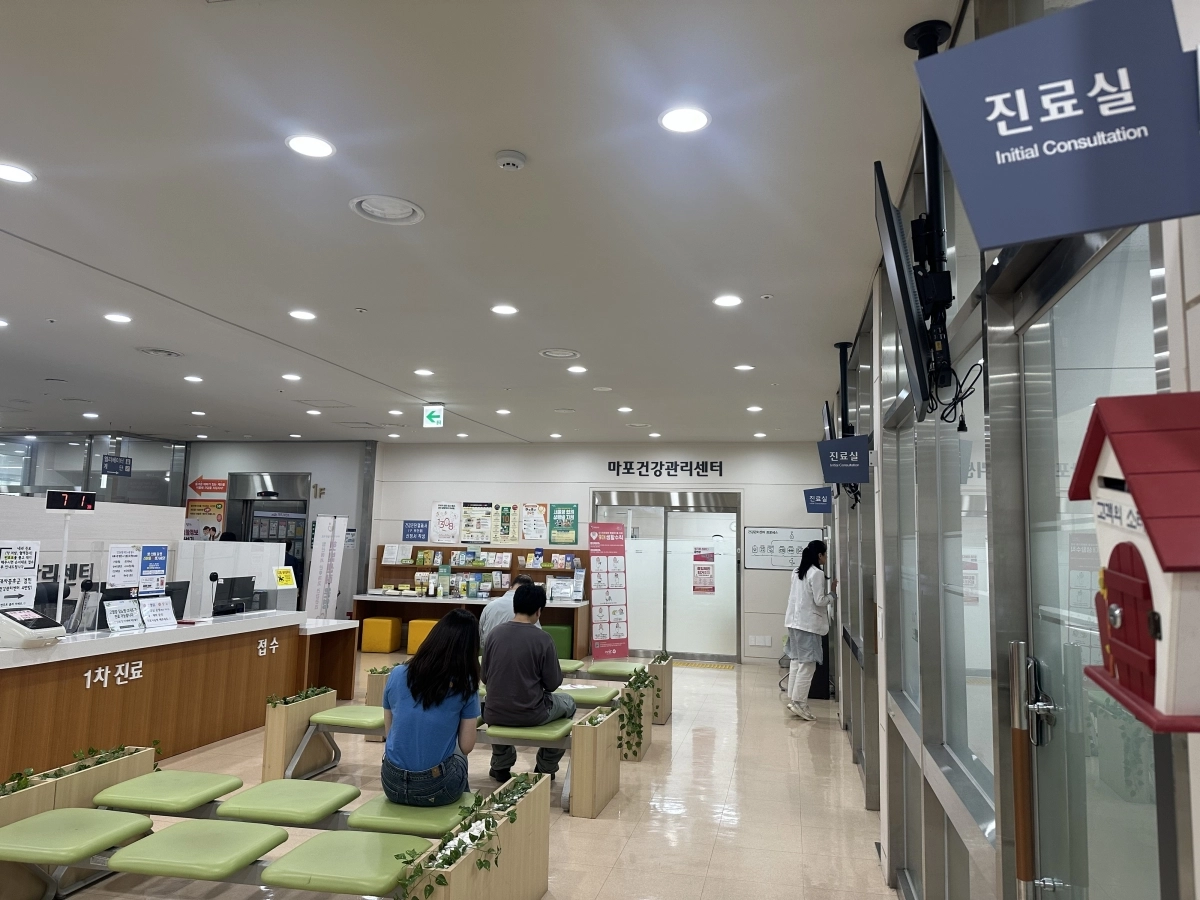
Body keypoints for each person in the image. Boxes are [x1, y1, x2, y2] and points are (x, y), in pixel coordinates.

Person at [381, 609, 481, 806]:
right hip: (436, 787)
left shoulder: (397, 673)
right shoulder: (465, 684)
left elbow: (390, 732)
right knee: (457, 752)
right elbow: (467, 746)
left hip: (392, 782)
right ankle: (465, 817)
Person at [481, 583, 575, 781]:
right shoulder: (543, 639)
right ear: (539, 611)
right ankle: (546, 767)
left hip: (493, 712)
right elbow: (552, 684)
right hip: (532, 713)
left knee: (497, 702)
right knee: (569, 703)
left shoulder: (494, 635)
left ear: (515, 605)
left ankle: (501, 764)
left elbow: (484, 677)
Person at [784, 539, 837, 721]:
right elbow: (820, 601)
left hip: (793, 623)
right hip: (807, 625)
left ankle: (793, 699)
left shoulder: (797, 572)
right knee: (808, 664)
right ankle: (799, 703)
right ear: (819, 555)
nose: (826, 557)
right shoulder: (816, 574)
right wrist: (833, 594)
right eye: (825, 554)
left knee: (797, 661)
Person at [478, 574, 539, 643]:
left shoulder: (490, 606)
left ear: (510, 587)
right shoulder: (529, 608)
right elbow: (537, 637)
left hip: (490, 648)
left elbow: (481, 635)